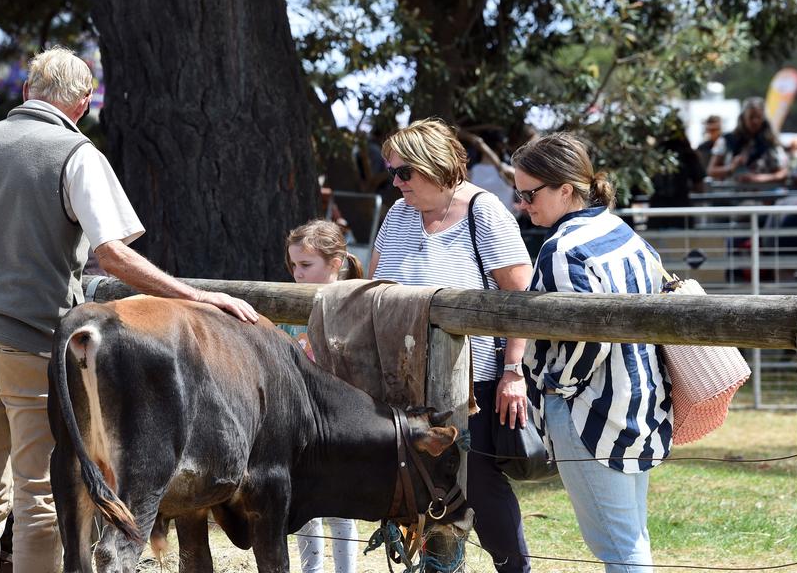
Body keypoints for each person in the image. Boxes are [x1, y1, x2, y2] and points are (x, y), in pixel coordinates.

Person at [0, 46, 258, 573]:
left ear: (27, 92)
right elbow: (111, 254)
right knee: (38, 494)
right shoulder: (77, 153)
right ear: (83, 102)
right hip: (30, 342)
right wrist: (197, 296)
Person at [365, 118, 533, 573]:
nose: (396, 183)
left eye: (405, 173)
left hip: (474, 383)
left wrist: (513, 371)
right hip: (404, 380)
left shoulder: (485, 212)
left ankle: (513, 570)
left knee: (477, 483)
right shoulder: (398, 214)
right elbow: (372, 286)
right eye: (392, 173)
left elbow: (520, 299)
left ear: (436, 167)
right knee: (417, 482)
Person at [511, 133, 671, 572]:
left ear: (565, 189)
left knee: (619, 548)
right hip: (642, 400)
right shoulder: (618, 229)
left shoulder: (562, 249)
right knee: (632, 537)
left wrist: (555, 386)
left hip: (591, 412)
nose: (523, 204)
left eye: (529, 193)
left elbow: (590, 335)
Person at [282, 220, 362, 573]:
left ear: (336, 262)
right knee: (304, 505)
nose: (297, 274)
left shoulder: (356, 303)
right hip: (300, 419)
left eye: (306, 265)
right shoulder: (286, 306)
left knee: (340, 508)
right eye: (294, 266)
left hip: (341, 419)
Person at [707, 97, 788, 184]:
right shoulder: (727, 140)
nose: (755, 121)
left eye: (758, 117)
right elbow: (711, 171)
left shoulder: (769, 141)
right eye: (751, 117)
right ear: (743, 118)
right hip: (732, 193)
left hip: (762, 193)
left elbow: (783, 173)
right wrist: (731, 167)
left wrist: (759, 178)